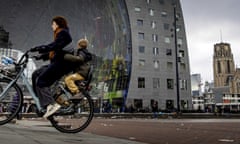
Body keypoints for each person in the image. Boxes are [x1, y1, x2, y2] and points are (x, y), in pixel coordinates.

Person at [31, 16, 75, 118]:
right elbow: (55, 50)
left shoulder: (63, 33)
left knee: (41, 81)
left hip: (62, 64)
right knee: (35, 74)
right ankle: (42, 101)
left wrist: (39, 48)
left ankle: (51, 104)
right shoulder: (61, 33)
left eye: (53, 24)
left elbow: (53, 46)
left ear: (58, 24)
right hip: (58, 62)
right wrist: (40, 56)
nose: (52, 26)